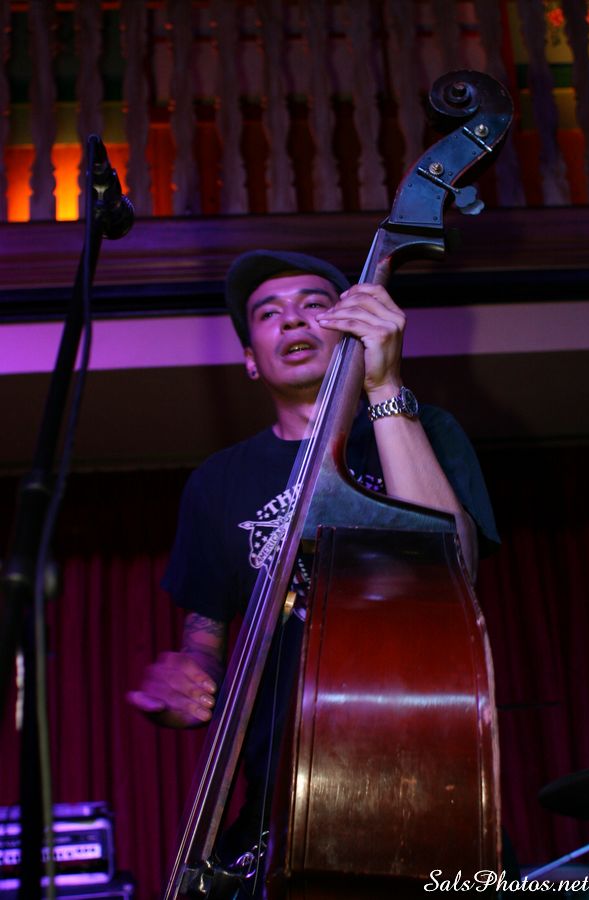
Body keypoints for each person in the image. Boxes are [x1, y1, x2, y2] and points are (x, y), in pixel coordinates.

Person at [127, 249, 501, 885]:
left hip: (425, 772)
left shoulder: (429, 429)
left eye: (314, 305)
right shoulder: (218, 482)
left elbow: (453, 571)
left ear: (349, 327)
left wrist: (384, 388)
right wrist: (187, 679)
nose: (293, 320)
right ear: (251, 358)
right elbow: (205, 636)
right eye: (268, 314)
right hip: (276, 798)